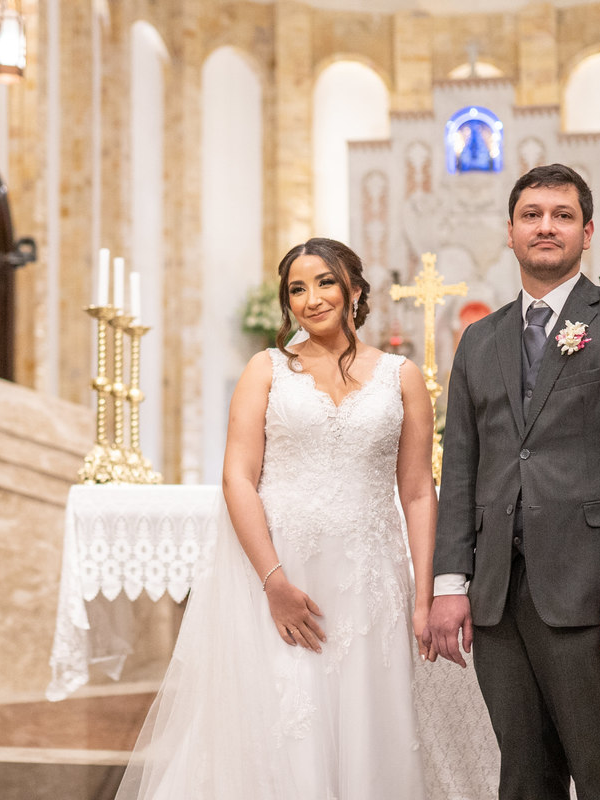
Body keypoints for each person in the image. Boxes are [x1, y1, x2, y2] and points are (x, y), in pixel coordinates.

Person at [116, 237, 497, 800]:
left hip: (371, 580)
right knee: (285, 720)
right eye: (297, 288)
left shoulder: (401, 376)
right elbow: (237, 479)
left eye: (324, 282)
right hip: (281, 574)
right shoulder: (265, 369)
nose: (311, 298)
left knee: (371, 715)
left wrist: (423, 596)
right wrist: (273, 584)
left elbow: (418, 493)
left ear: (355, 291)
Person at [427, 163, 600, 799]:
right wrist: (449, 584)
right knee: (522, 777)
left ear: (587, 232)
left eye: (562, 215)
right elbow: (460, 467)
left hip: (589, 587)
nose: (547, 226)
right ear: (509, 232)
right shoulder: (478, 340)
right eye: (532, 215)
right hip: (496, 597)